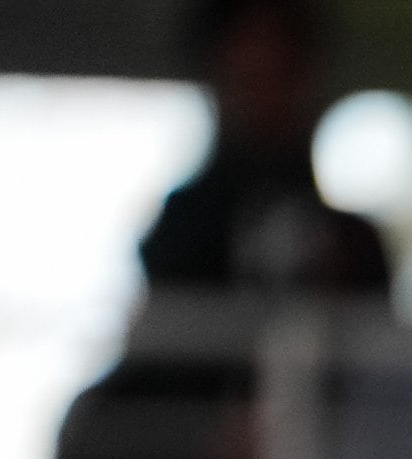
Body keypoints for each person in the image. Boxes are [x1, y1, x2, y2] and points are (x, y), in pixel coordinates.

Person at [138, 0, 392, 298]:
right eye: (248, 81)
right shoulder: (180, 231)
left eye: (280, 76)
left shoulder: (353, 246)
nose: (265, 99)